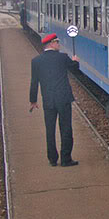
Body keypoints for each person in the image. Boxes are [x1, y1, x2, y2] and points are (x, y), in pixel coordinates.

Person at [29, 33, 79, 167]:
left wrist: (33, 100)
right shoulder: (62, 58)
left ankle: (52, 159)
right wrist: (75, 61)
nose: (59, 44)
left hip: (48, 100)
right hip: (63, 99)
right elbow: (75, 70)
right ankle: (65, 159)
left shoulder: (36, 61)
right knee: (66, 129)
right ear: (51, 43)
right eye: (57, 42)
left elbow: (34, 82)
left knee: (50, 130)